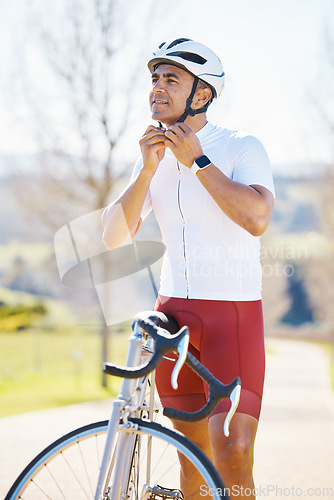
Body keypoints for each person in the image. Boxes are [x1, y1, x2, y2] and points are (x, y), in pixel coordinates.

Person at [102, 38, 275, 499]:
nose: (157, 87)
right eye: (155, 79)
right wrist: (145, 171)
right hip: (174, 315)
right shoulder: (151, 154)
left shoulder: (241, 146)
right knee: (189, 459)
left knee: (233, 452)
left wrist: (196, 160)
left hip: (231, 317)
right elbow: (112, 237)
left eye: (171, 79)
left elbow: (257, 218)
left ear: (202, 94)